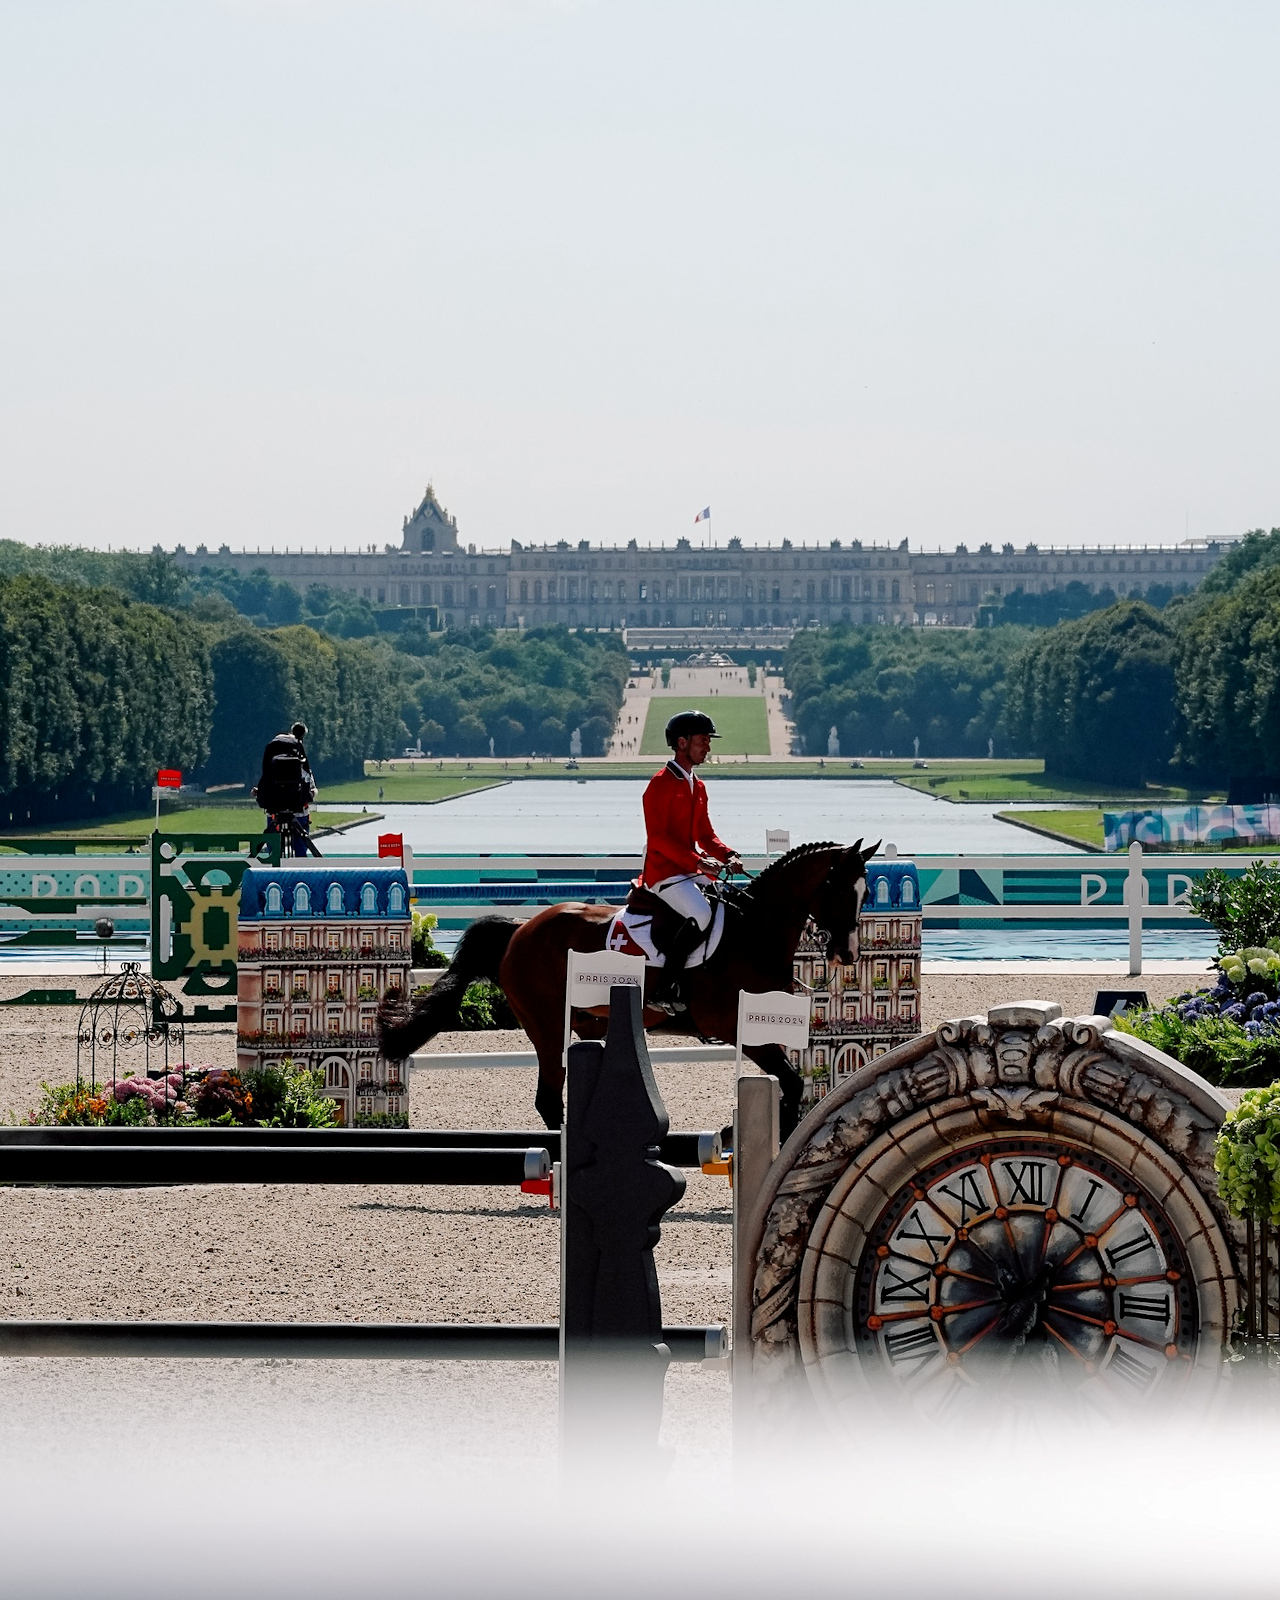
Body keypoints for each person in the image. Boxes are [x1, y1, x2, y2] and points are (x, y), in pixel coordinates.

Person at [640, 710, 742, 1006]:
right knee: (702, 913)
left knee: (730, 903)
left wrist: (728, 854)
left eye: (709, 741)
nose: (708, 747)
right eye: (703, 740)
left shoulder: (698, 786)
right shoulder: (660, 783)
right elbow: (657, 838)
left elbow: (706, 835)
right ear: (682, 743)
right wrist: (697, 862)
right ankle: (664, 989)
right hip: (664, 873)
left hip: (688, 868)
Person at [255, 721, 318, 856]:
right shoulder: (298, 753)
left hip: (274, 810)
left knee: (273, 850)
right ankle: (301, 873)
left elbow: (265, 778)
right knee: (301, 849)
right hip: (299, 812)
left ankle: (273, 870)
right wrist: (312, 793)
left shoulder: (272, 753)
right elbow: (309, 781)